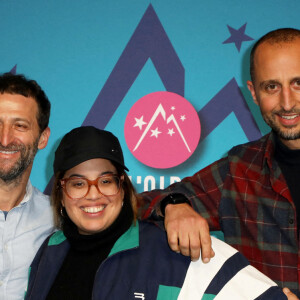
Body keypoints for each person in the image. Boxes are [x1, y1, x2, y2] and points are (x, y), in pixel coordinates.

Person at [25, 126, 287, 300]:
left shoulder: (174, 246)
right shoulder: (50, 250)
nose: (93, 194)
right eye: (78, 183)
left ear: (122, 187)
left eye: (106, 181)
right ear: (61, 191)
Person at [140, 27, 300, 298]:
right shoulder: (239, 169)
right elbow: (133, 205)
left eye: (298, 83)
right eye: (271, 86)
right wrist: (172, 205)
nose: (287, 103)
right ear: (253, 92)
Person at [0, 73, 54, 299]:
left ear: (42, 138)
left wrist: (172, 203)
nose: (5, 139)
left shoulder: (59, 220)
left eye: (19, 126)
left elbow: (123, 211)